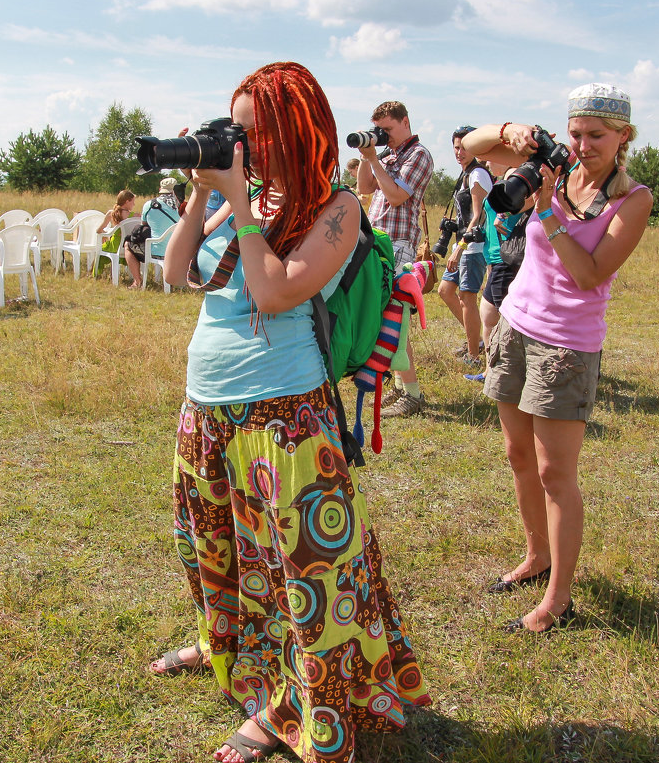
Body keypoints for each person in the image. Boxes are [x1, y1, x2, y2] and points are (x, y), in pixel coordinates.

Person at [159, 62, 430, 763]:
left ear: (291, 127)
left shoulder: (337, 207)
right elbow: (174, 272)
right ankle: (222, 643)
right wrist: (202, 197)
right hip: (207, 406)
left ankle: (287, 706)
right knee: (213, 550)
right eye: (233, 132)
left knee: (298, 573)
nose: (241, 145)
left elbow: (277, 291)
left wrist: (240, 204)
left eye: (252, 132)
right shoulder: (237, 193)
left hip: (285, 417)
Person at [463, 83, 653, 632]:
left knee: (555, 472)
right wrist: (508, 133)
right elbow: (474, 147)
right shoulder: (552, 165)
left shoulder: (632, 200)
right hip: (516, 327)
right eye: (576, 133)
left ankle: (558, 597)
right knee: (519, 456)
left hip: (567, 344)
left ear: (623, 136)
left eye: (597, 135)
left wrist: (548, 213)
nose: (584, 144)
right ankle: (536, 554)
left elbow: (590, 273)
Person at [356, 101, 433, 417]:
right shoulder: (386, 154)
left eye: (387, 129)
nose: (383, 135)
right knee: (382, 317)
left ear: (405, 122)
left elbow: (396, 195)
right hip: (378, 240)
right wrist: (367, 156)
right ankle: (401, 387)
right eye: (379, 130)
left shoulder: (419, 155)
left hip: (399, 243)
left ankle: (412, 395)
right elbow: (364, 188)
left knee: (394, 319)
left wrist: (375, 159)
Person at [464, 162, 533, 384]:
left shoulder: (516, 175)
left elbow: (528, 202)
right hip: (496, 255)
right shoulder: (502, 178)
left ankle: (496, 371)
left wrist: (503, 215)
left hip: (508, 255)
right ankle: (495, 369)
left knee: (493, 315)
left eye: (489, 155)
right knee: (494, 314)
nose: (485, 161)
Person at [438, 126, 493, 367]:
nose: (460, 152)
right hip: (464, 243)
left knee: (466, 297)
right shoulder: (466, 174)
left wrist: (460, 246)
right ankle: (477, 340)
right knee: (445, 291)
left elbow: (479, 216)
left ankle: (474, 355)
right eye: (457, 147)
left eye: (465, 147)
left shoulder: (477, 174)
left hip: (474, 246)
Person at [123, 177, 180, 289]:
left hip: (157, 250)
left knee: (127, 245)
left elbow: (144, 224)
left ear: (160, 190)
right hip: (179, 251)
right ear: (175, 191)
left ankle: (137, 281)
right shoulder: (184, 206)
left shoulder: (150, 205)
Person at [93, 190, 139, 277]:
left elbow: (98, 230)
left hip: (115, 246)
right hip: (129, 246)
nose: (134, 204)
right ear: (127, 202)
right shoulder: (135, 216)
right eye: (133, 202)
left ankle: (96, 274)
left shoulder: (111, 213)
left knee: (100, 249)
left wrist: (107, 233)